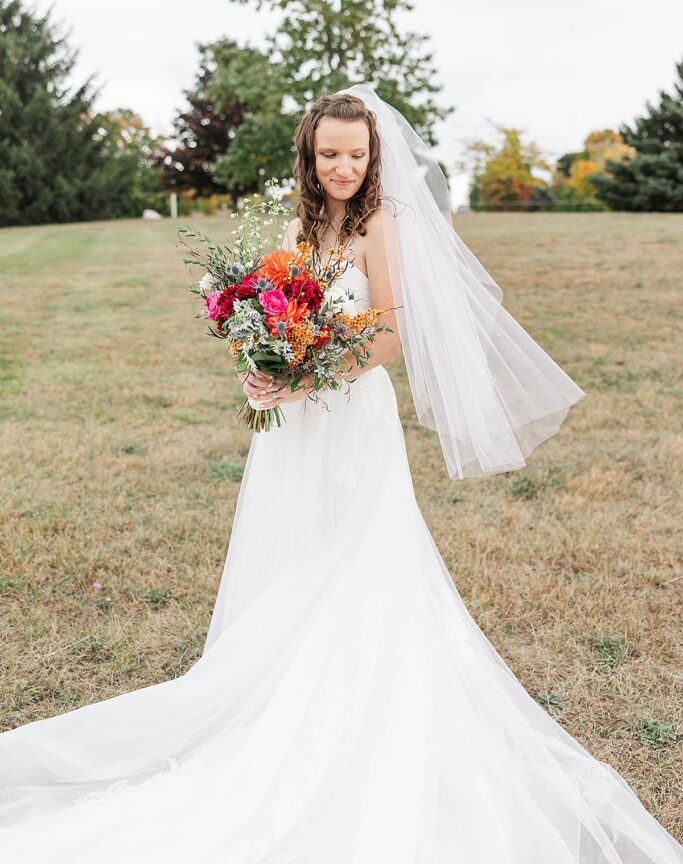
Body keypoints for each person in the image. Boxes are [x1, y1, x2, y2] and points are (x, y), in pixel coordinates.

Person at [1, 86, 681, 864]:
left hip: (351, 420)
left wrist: (309, 379)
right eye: (329, 154)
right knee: (289, 556)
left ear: (372, 156)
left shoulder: (381, 227)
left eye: (355, 155)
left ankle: (354, 714)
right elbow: (267, 315)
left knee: (355, 559)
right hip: (290, 428)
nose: (343, 168)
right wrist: (257, 371)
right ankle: (277, 703)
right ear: (308, 154)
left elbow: (391, 329)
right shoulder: (298, 225)